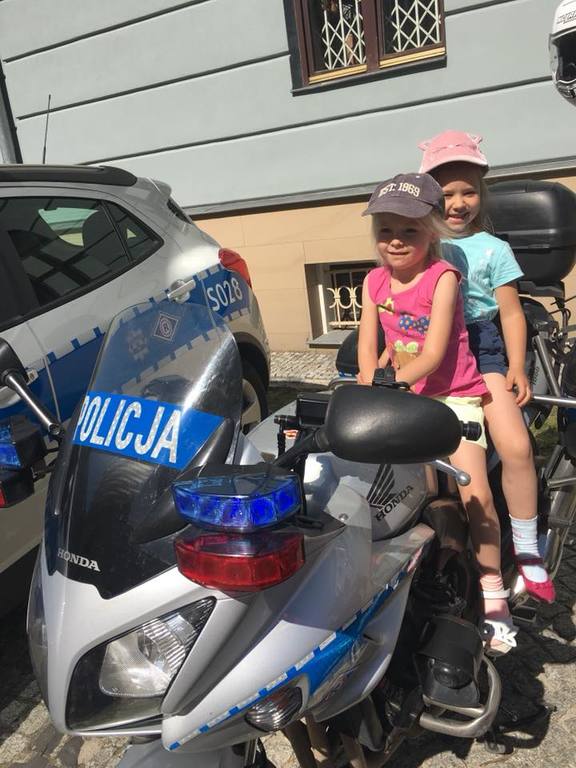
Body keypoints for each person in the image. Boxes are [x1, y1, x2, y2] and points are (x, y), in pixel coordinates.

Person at [357, 172, 517, 654]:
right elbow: (368, 347)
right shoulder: (372, 281)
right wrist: (368, 381)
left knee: (476, 493)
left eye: (409, 230)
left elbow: (432, 353)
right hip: (403, 395)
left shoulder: (443, 277)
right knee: (404, 490)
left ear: (432, 230)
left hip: (453, 395)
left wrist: (390, 385)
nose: (396, 240)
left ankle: (494, 590)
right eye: (386, 230)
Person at [418, 129, 555, 606]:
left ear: (482, 193)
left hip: (481, 348)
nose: (459, 203)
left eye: (469, 192)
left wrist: (517, 365)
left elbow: (511, 313)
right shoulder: (420, 242)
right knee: (437, 460)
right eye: (447, 193)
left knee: (516, 445)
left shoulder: (494, 249)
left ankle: (528, 547)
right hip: (430, 351)